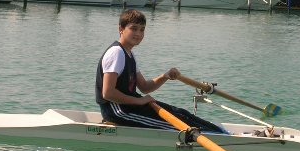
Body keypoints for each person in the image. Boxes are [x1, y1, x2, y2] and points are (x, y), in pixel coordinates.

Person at [95, 9, 225, 133]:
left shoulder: (129, 54)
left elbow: (145, 88)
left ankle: (222, 133)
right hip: (118, 111)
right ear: (121, 29)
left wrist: (165, 76)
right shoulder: (116, 53)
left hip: (130, 106)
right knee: (181, 126)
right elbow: (108, 93)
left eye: (142, 30)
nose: (138, 34)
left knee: (181, 113)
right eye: (133, 28)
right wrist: (140, 101)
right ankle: (220, 137)